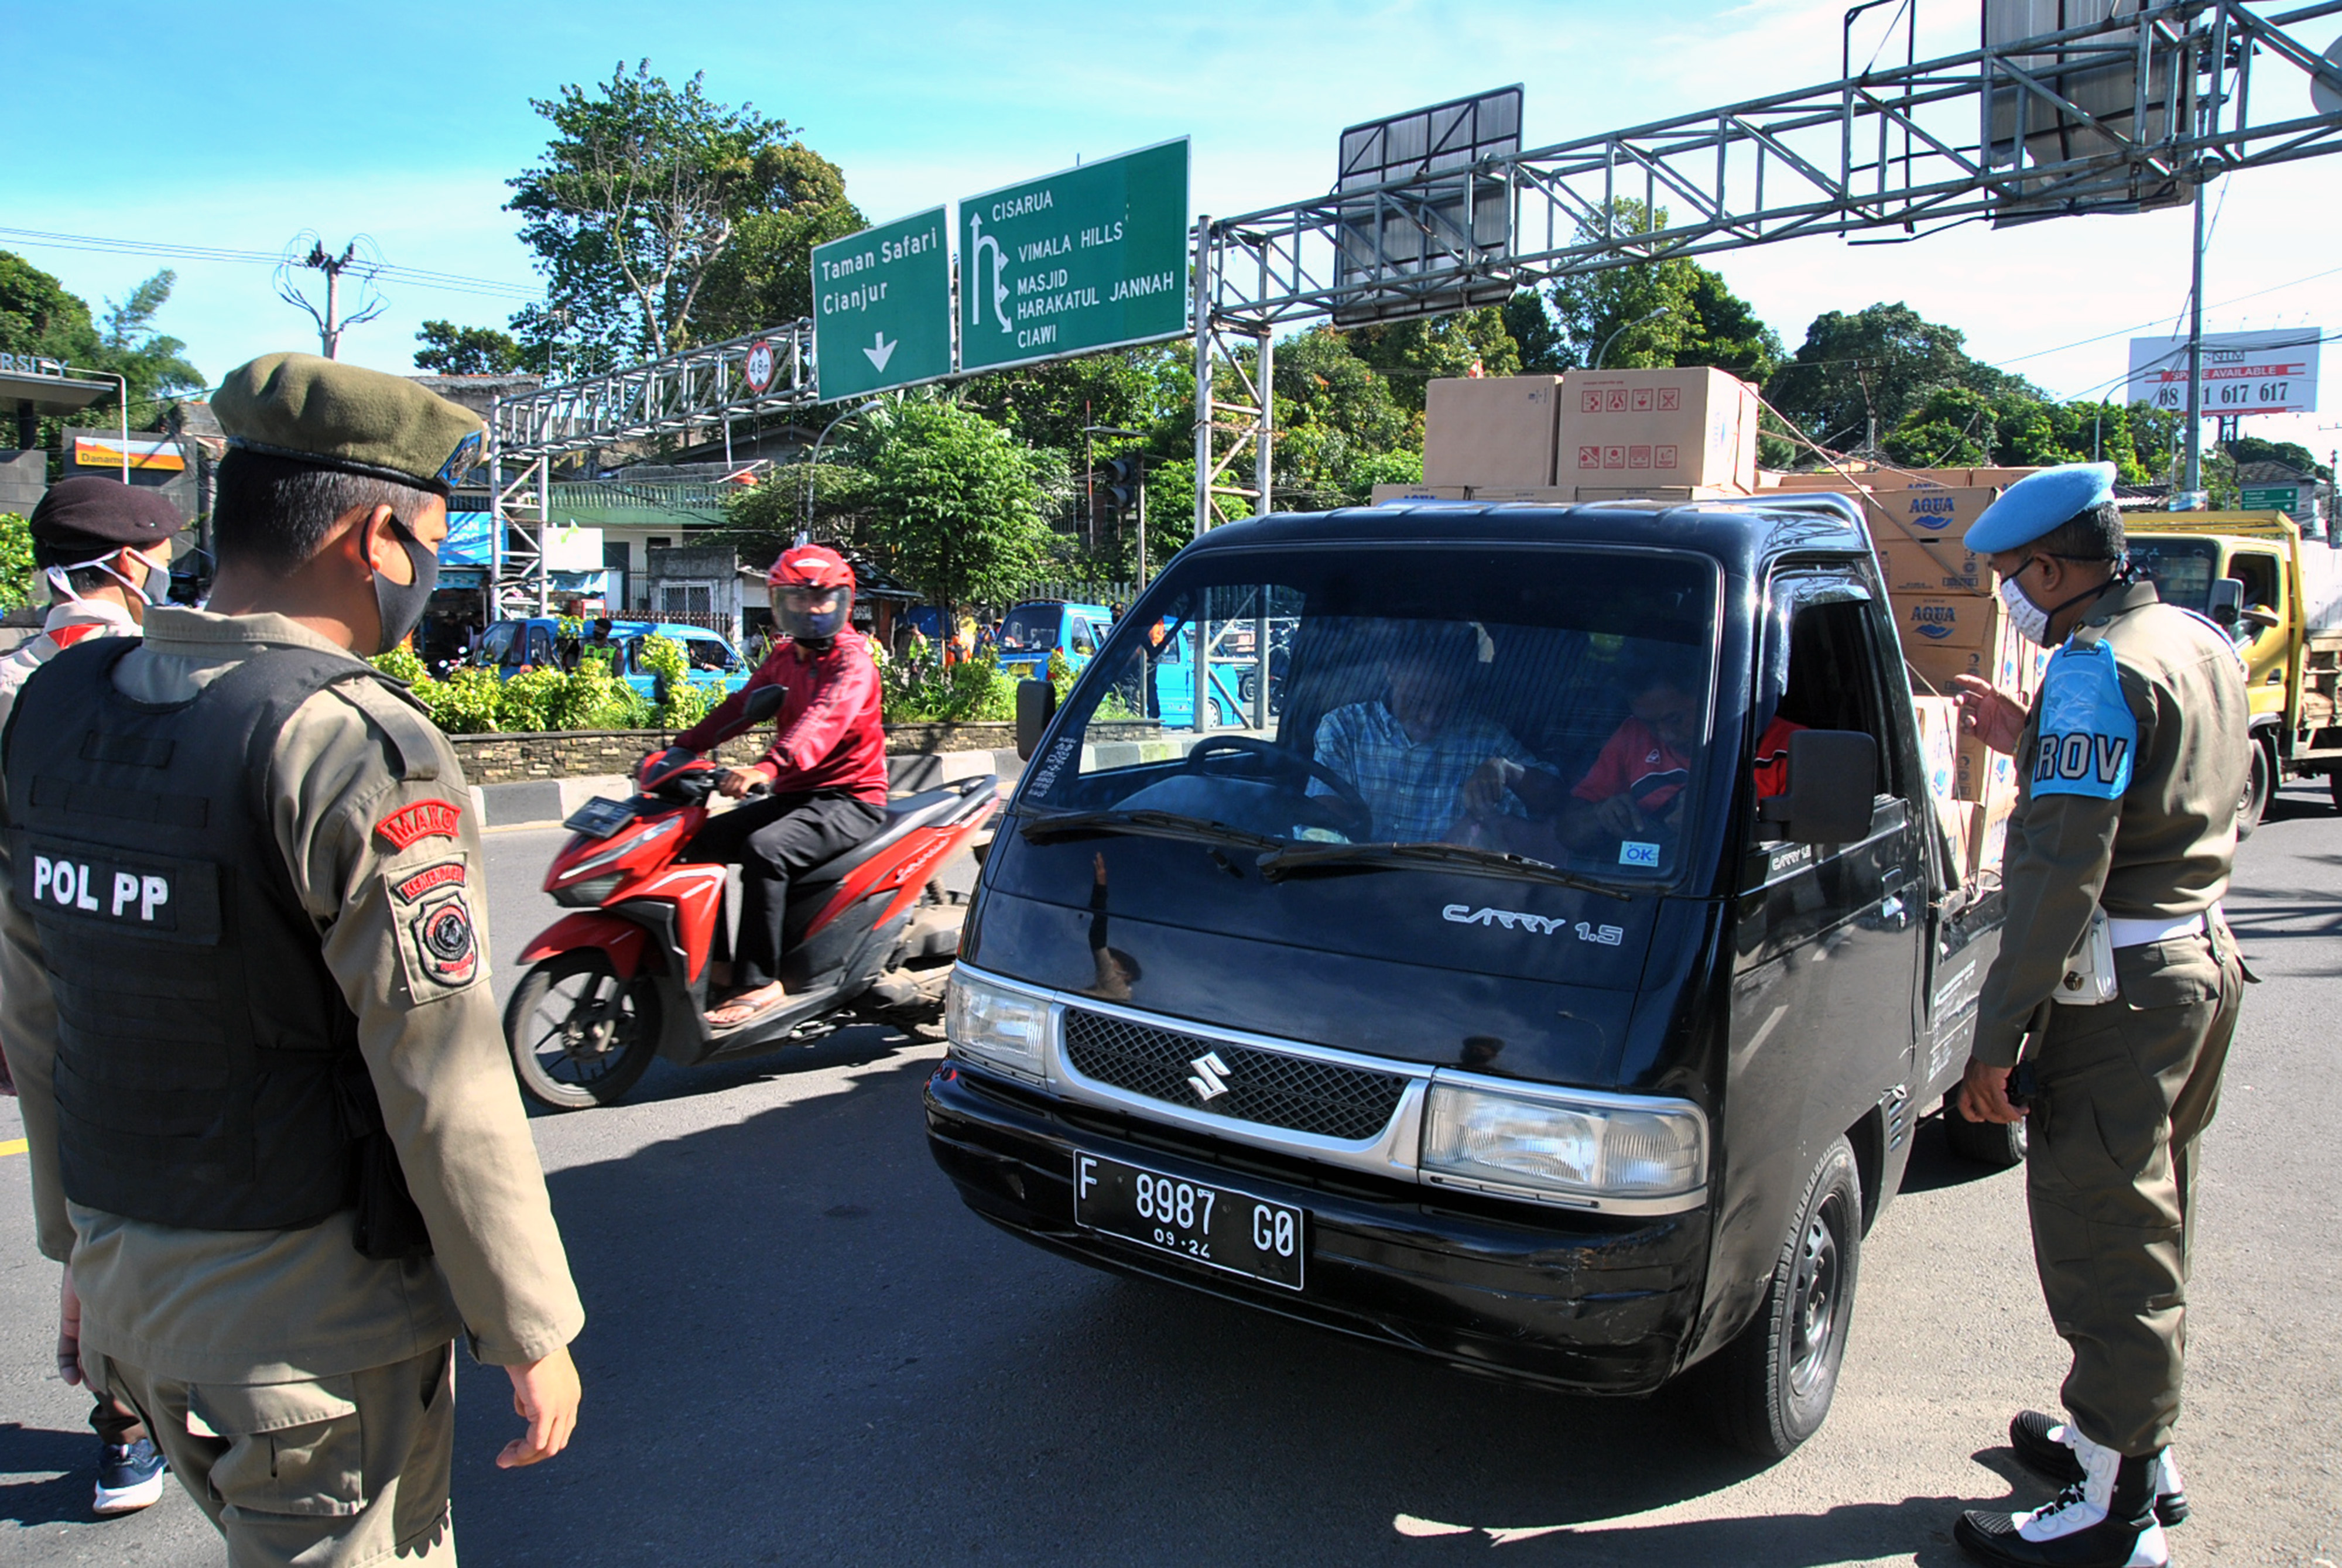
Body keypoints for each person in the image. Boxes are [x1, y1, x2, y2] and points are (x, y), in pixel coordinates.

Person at [0, 352, 586, 1565]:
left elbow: (43, 1015)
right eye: (430, 534)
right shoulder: (348, 743)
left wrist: (78, 1254)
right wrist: (529, 1325)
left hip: (128, 1299)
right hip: (313, 1344)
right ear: (376, 540)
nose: (430, 566)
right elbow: (445, 1074)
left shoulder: (60, 710)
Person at [1943, 463, 2248, 1568]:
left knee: (2104, 1228)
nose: (2012, 595)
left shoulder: (2092, 667)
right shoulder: (2193, 639)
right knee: (2154, 1213)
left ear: (2059, 568)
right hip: (2197, 959)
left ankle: (2113, 1518)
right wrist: (2030, 736)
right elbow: (2208, 789)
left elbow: (2063, 869)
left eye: (2015, 576)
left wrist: (1995, 1040)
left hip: (2116, 984)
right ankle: (2128, 1445)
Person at [0, 475, 183, 1516]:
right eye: (154, 558)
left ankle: (129, 1412)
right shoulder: (155, 680)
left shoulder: (13, 679)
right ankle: (135, 1416)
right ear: (128, 566)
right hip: (153, 990)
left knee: (84, 1203)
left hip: (34, 996)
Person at [669, 544, 888, 1029]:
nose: (812, 610)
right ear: (780, 604)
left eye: (823, 599)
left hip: (850, 798)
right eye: (799, 600)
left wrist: (767, 767)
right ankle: (720, 964)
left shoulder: (853, 661)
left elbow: (822, 720)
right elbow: (741, 706)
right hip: (796, 794)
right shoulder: (785, 657)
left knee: (765, 849)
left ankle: (758, 979)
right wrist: (683, 748)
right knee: (696, 841)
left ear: (842, 602)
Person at [1309, 625, 1556, 841]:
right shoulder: (1344, 729)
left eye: (1446, 705)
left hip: (1451, 889)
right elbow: (1325, 820)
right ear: (1391, 672)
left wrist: (1508, 771)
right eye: (1416, 702)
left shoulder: (1486, 739)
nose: (1430, 719)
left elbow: (1558, 801)